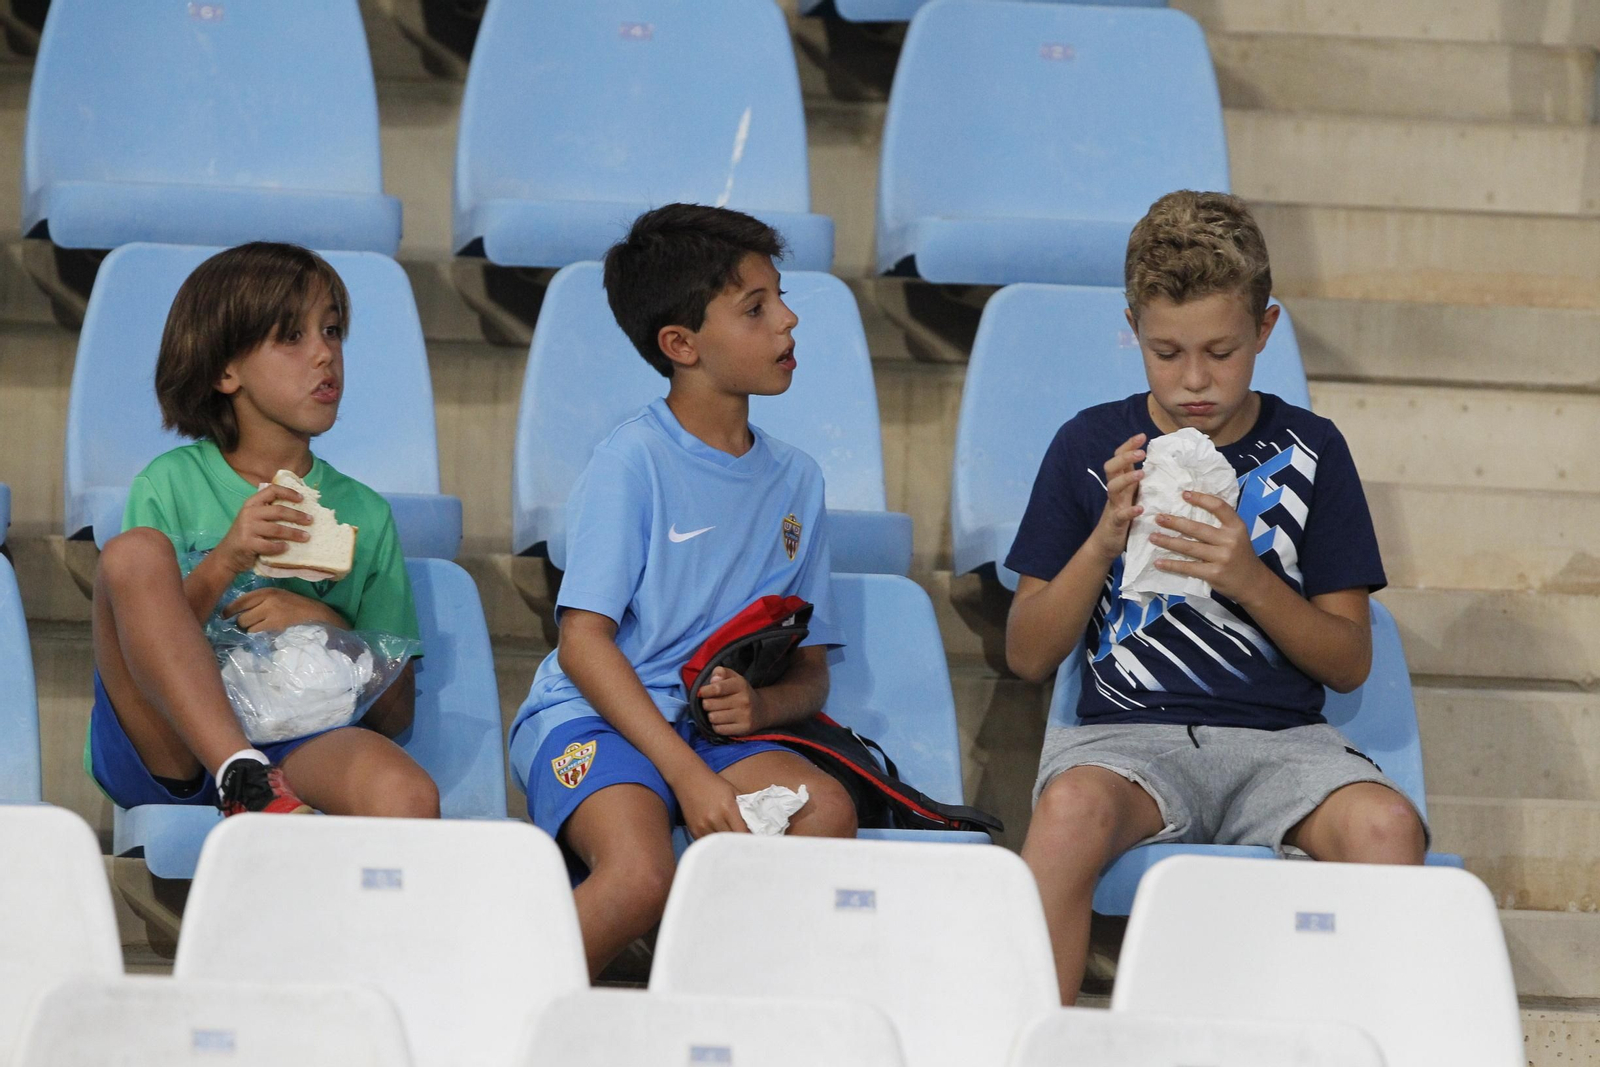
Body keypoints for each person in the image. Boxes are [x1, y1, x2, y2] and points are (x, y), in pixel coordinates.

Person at [1005, 191, 1427, 1003]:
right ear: (1131, 328)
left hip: (1284, 749)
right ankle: (1034, 1043)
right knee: (1065, 815)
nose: (1194, 379)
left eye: (1222, 351)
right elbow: (1027, 652)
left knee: (1387, 827)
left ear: (1265, 329)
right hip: (1126, 743)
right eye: (1166, 352)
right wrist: (1102, 540)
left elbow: (1348, 661)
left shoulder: (1313, 449)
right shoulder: (1090, 445)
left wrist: (1246, 576)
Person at [509, 204, 858, 978]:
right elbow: (583, 642)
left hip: (718, 737)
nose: (789, 321)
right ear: (681, 345)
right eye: (756, 308)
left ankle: (711, 1022)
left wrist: (761, 708)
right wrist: (686, 773)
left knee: (827, 812)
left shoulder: (800, 478)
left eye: (781, 296)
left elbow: (811, 669)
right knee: (640, 877)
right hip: (594, 719)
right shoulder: (630, 461)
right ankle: (472, 1028)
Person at [87, 242, 439, 820]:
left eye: (331, 331)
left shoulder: (366, 515)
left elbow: (395, 715)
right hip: (168, 740)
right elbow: (144, 644)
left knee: (407, 794)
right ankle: (237, 773)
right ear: (227, 371)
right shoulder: (170, 482)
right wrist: (226, 557)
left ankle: (265, 798)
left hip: (290, 739)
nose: (324, 354)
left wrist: (329, 625)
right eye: (292, 337)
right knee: (133, 555)